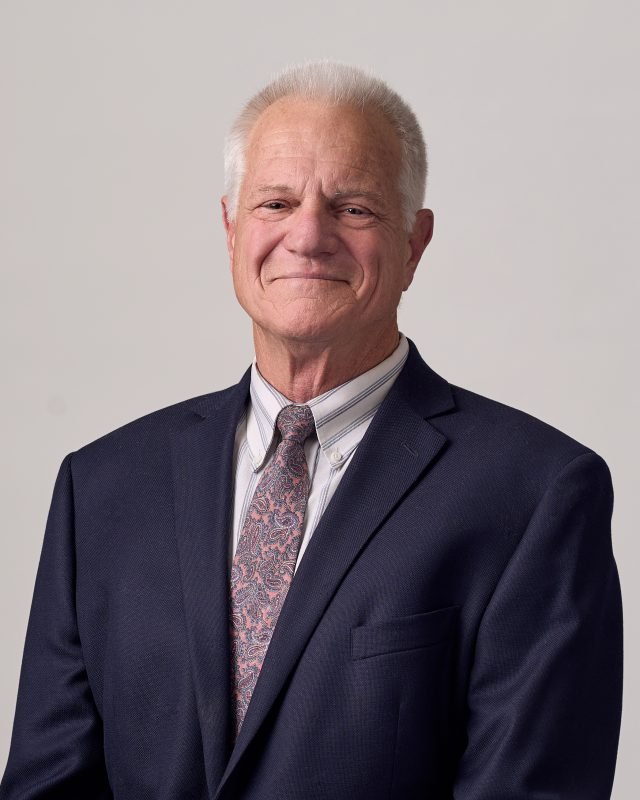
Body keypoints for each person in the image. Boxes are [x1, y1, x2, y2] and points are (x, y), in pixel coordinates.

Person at [0, 62, 623, 800]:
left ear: (415, 243)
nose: (308, 235)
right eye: (275, 201)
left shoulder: (536, 494)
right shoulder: (101, 487)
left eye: (354, 208)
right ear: (232, 229)